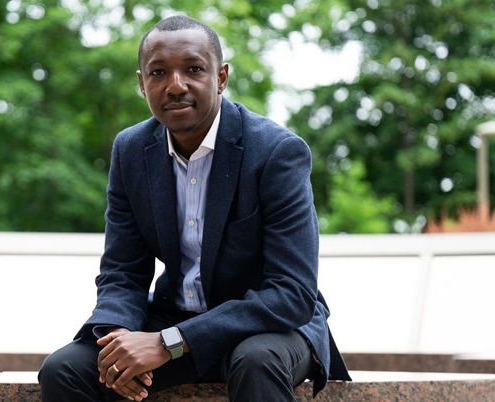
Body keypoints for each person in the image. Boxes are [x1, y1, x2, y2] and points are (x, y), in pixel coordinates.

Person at [39, 15, 351, 401]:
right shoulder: (132, 150)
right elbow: (123, 270)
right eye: (158, 73)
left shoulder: (276, 152)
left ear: (221, 77)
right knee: (65, 369)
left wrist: (169, 342)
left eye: (193, 69)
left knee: (256, 361)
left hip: (269, 325)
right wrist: (117, 336)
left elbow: (291, 292)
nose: (175, 85)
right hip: (174, 316)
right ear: (142, 83)